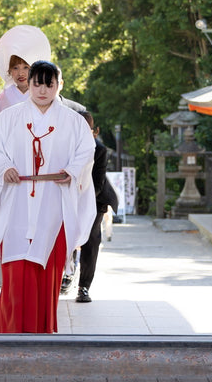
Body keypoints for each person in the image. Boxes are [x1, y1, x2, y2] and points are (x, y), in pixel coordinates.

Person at [0, 61, 96, 333]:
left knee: (47, 270)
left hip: (54, 200)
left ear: (58, 85)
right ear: (28, 84)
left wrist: (73, 170)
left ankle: (42, 327)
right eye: (37, 83)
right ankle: (12, 325)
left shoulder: (74, 121)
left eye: (48, 84)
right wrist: (4, 167)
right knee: (16, 268)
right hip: (16, 201)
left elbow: (86, 151)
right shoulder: (9, 117)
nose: (42, 90)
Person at [73, 108, 118, 303]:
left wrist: (82, 204)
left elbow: (97, 183)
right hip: (68, 197)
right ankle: (65, 276)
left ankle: (84, 286)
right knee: (68, 238)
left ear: (95, 131)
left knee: (90, 241)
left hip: (95, 198)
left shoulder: (100, 150)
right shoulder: (65, 146)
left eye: (87, 129)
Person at [0, 25, 52, 120]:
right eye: (15, 68)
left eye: (26, 67)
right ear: (9, 71)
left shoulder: (44, 94)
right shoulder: (3, 97)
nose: (21, 73)